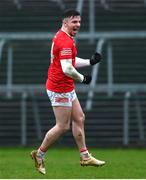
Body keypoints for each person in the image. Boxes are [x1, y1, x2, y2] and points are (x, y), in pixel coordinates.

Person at [30, 9, 105, 175]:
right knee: (62, 126)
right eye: (74, 22)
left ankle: (85, 157)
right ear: (65, 23)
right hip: (59, 88)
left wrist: (90, 62)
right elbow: (67, 68)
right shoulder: (65, 41)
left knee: (79, 118)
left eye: (79, 22)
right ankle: (39, 154)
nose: (78, 25)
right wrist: (83, 79)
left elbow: (69, 61)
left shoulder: (64, 37)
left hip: (66, 86)